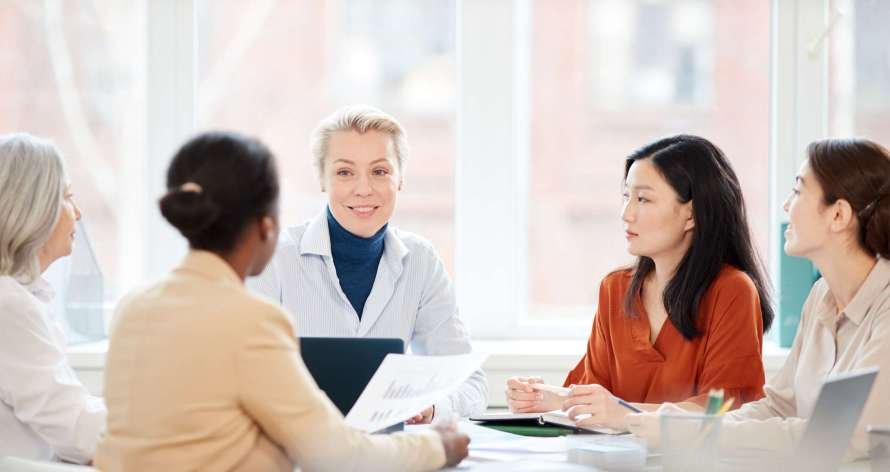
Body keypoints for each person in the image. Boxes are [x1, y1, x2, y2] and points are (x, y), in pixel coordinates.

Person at [95, 132, 469, 471]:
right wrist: (438, 446)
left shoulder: (133, 308)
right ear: (266, 226)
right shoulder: (251, 321)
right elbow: (336, 456)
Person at [628, 138, 890, 460]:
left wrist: (697, 432)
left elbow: (840, 435)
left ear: (838, 215)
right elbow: (779, 405)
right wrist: (696, 424)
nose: (785, 206)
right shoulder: (822, 295)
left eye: (797, 191)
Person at [506, 135, 774, 431]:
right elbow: (596, 398)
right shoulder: (615, 289)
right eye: (626, 197)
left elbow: (725, 409)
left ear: (691, 214)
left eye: (643, 199)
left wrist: (625, 413)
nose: (626, 214)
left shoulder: (732, 290)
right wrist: (545, 397)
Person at [249, 105, 487, 423]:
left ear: (400, 178)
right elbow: (245, 378)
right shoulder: (274, 258)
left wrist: (429, 408)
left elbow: (471, 385)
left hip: (388, 455)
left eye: (380, 171)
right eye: (345, 172)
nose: (363, 189)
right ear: (322, 178)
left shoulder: (421, 260)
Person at [0, 133, 106, 463]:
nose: (78, 213)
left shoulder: (21, 298)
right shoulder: (9, 305)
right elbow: (78, 433)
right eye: (68, 198)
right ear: (35, 207)